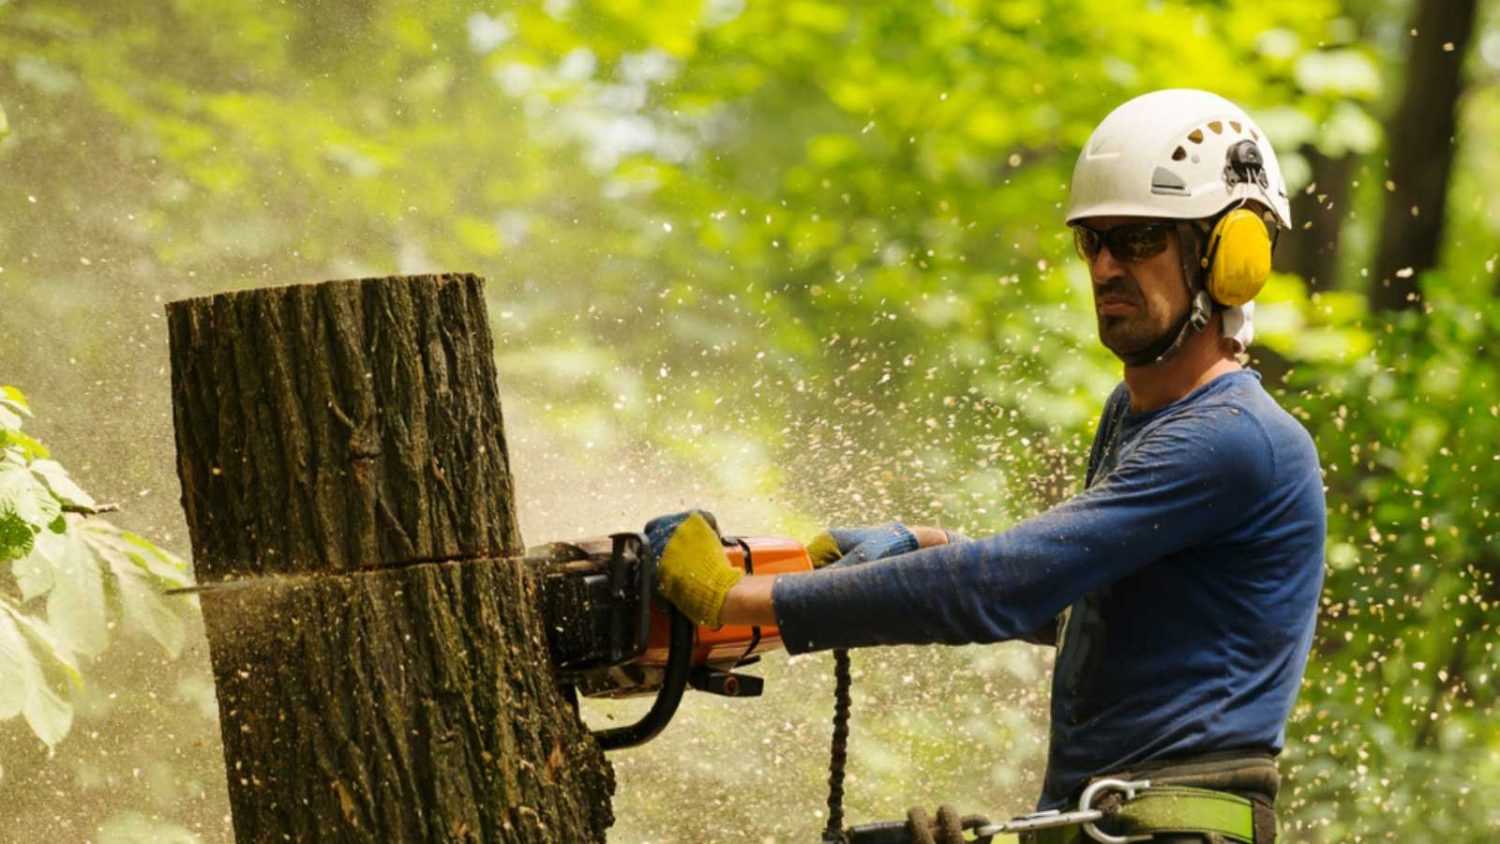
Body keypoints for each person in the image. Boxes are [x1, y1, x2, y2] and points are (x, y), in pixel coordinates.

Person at [647, 89, 1325, 842]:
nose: (1104, 267)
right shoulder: (1134, 416)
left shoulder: (1235, 439)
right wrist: (927, 547)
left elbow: (1004, 585)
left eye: (1135, 238)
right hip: (1103, 823)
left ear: (1230, 257)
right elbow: (1097, 612)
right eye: (1090, 242)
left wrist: (736, 599)